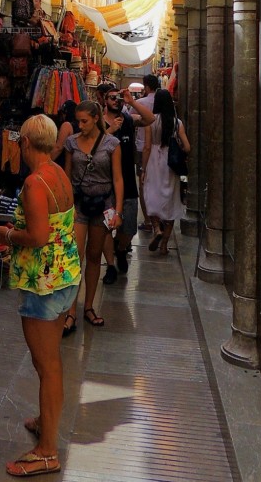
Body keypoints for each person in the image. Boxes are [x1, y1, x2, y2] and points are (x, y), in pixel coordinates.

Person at [0, 115, 80, 478]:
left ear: (26, 143)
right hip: (65, 276)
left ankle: (47, 451)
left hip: (43, 281)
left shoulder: (33, 182)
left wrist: (8, 235)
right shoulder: (58, 173)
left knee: (47, 366)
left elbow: (39, 236)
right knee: (51, 361)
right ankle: (46, 421)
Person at [62, 100, 124, 332]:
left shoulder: (112, 144)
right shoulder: (72, 143)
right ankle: (70, 310)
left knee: (95, 255)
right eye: (78, 121)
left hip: (102, 204)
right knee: (75, 255)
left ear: (96, 118)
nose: (80, 125)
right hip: (78, 204)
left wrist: (117, 211)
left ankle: (88, 306)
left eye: (84, 121)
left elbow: (117, 178)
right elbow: (67, 176)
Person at [134, 87, 190, 255]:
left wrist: (143, 168)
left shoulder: (152, 121)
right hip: (170, 164)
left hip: (153, 162)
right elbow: (187, 147)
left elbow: (147, 147)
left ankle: (156, 227)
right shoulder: (177, 123)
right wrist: (178, 147)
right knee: (170, 201)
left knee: (150, 195)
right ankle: (164, 244)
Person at [101, 86, 139, 280]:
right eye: (112, 97)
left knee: (129, 227)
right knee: (107, 226)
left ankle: (121, 248)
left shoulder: (129, 120)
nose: (116, 100)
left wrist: (131, 102)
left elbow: (150, 119)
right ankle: (109, 266)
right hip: (106, 183)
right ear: (104, 99)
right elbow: (93, 147)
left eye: (118, 97)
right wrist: (110, 130)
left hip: (128, 181)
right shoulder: (99, 122)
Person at [129, 73, 160, 232]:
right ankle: (159, 218)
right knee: (157, 183)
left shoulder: (139, 103)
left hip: (142, 148)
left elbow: (129, 121)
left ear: (146, 87)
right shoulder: (162, 103)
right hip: (161, 150)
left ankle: (148, 220)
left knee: (143, 184)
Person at [51, 99, 78, 165]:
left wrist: (45, 163)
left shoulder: (67, 125)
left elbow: (58, 148)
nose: (62, 116)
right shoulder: (81, 125)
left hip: (64, 164)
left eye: (63, 113)